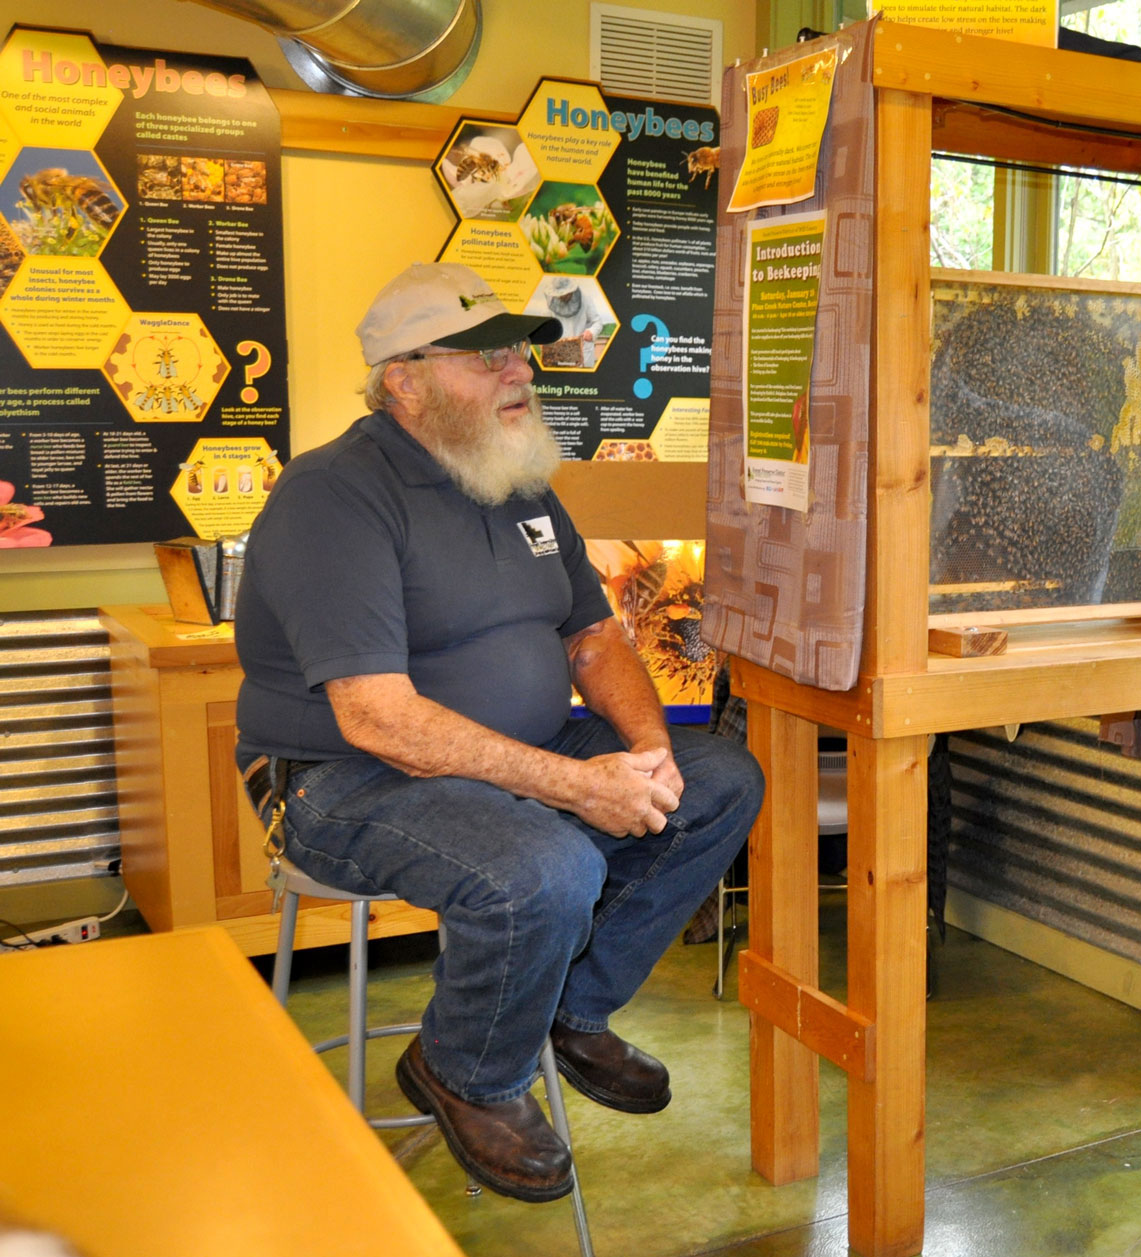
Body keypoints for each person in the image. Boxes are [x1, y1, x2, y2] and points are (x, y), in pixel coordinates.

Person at [234, 262, 763, 1204]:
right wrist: (577, 788)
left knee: (718, 781)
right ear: (405, 378)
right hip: (341, 780)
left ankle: (568, 1006)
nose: (518, 368)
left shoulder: (514, 477)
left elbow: (595, 635)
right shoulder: (332, 497)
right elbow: (379, 717)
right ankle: (465, 1068)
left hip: (505, 762)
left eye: (519, 348)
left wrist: (643, 754)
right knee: (544, 866)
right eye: (485, 356)